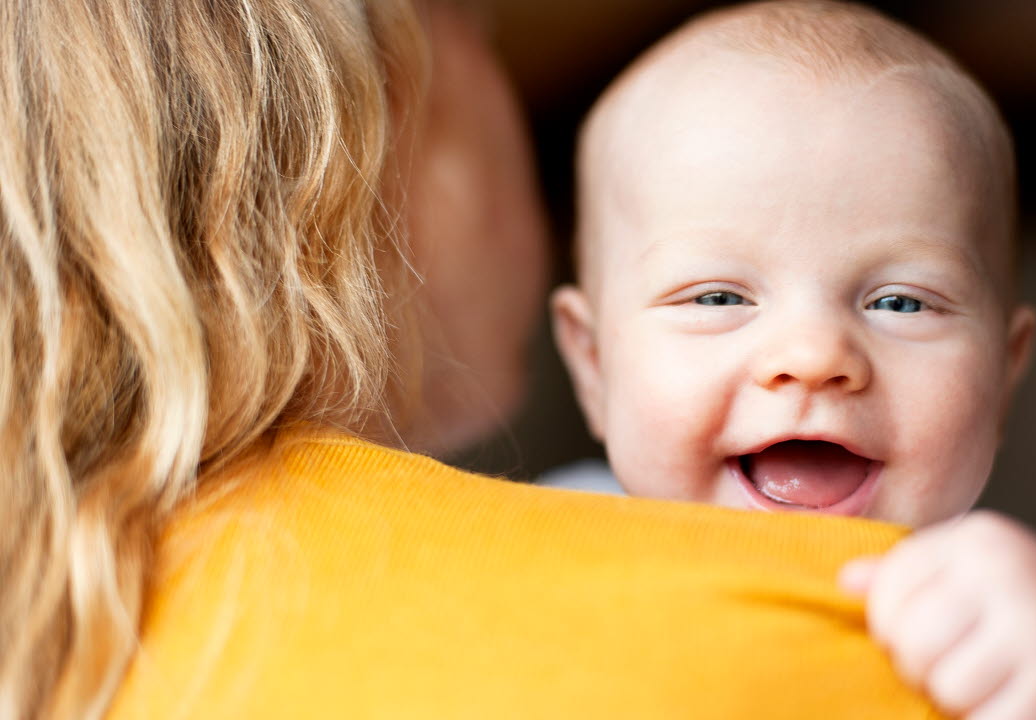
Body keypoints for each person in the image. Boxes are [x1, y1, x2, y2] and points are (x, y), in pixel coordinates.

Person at [1, 1, 961, 719]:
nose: (813, 357)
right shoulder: (856, 640)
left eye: (901, 303)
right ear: (365, 123)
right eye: (484, 40)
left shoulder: (64, 632)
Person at [548, 1, 1036, 717]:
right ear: (593, 364)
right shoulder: (541, 533)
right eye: (716, 298)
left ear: (1003, 374)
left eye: (900, 303)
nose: (814, 355)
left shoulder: (1004, 605)